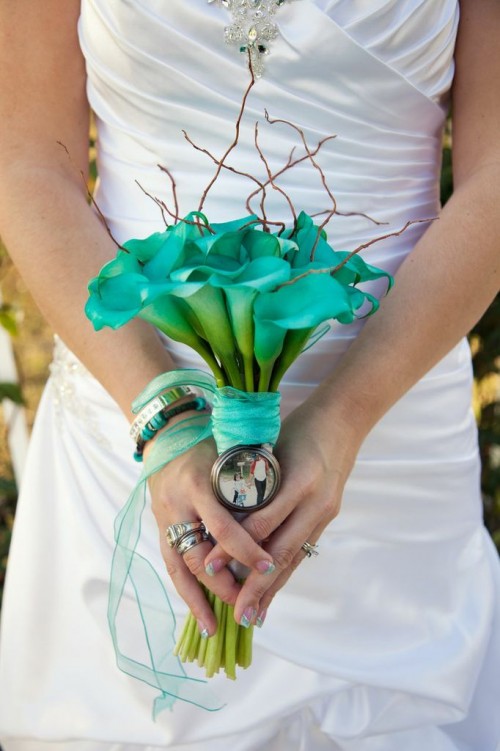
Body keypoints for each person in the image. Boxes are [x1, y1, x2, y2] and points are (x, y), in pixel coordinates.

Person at [0, 1, 499, 749]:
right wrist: (160, 417)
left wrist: (346, 416)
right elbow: (29, 158)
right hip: (131, 429)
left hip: (390, 444)